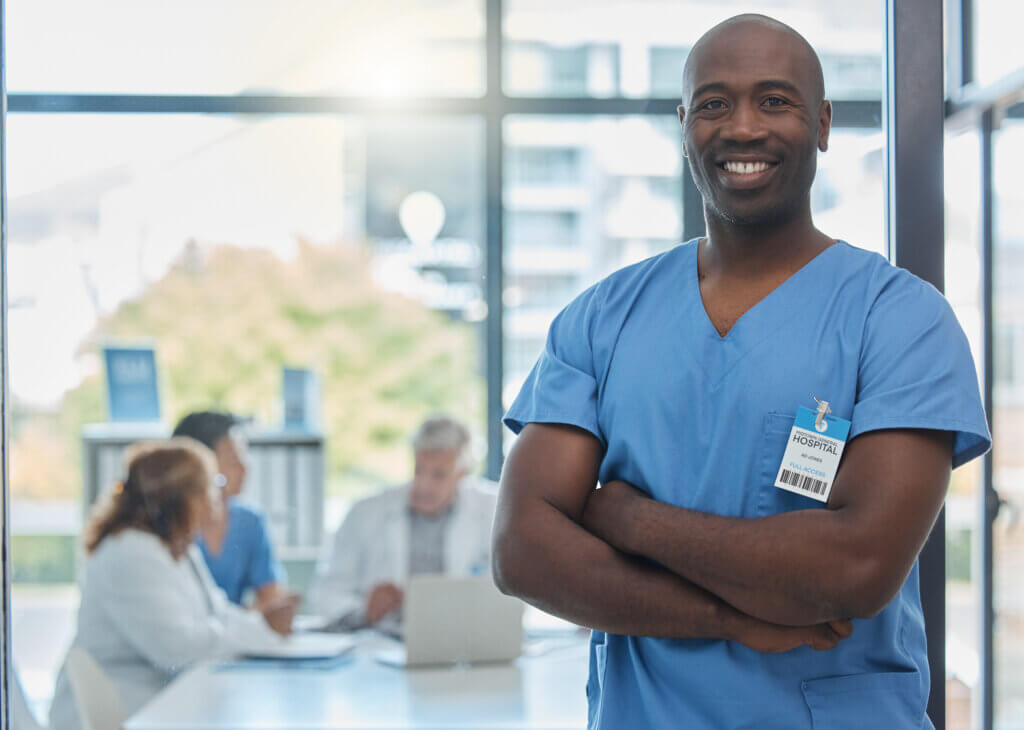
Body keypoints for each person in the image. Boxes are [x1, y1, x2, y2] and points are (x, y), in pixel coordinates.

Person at [492, 14, 990, 730]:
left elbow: (856, 566)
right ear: (684, 124)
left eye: (775, 101)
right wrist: (728, 618)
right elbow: (523, 553)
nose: (744, 128)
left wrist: (626, 515)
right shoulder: (602, 317)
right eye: (714, 104)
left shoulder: (901, 320)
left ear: (821, 123)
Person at [49, 440, 292, 730]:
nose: (215, 499)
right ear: (179, 497)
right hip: (119, 710)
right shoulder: (130, 553)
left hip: (159, 703)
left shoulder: (177, 548)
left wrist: (263, 627)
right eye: (208, 487)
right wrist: (261, 631)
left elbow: (218, 613)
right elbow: (177, 649)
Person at [310, 415, 496, 629]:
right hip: (381, 640)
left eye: (438, 475)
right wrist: (365, 611)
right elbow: (326, 593)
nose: (424, 485)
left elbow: (509, 596)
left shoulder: (492, 509)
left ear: (462, 474)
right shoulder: (365, 512)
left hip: (465, 637)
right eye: (419, 469)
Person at [171, 411, 288, 608]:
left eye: (244, 457)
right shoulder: (168, 523)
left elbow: (272, 597)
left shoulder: (249, 521)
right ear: (199, 466)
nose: (244, 468)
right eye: (234, 460)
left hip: (230, 634)